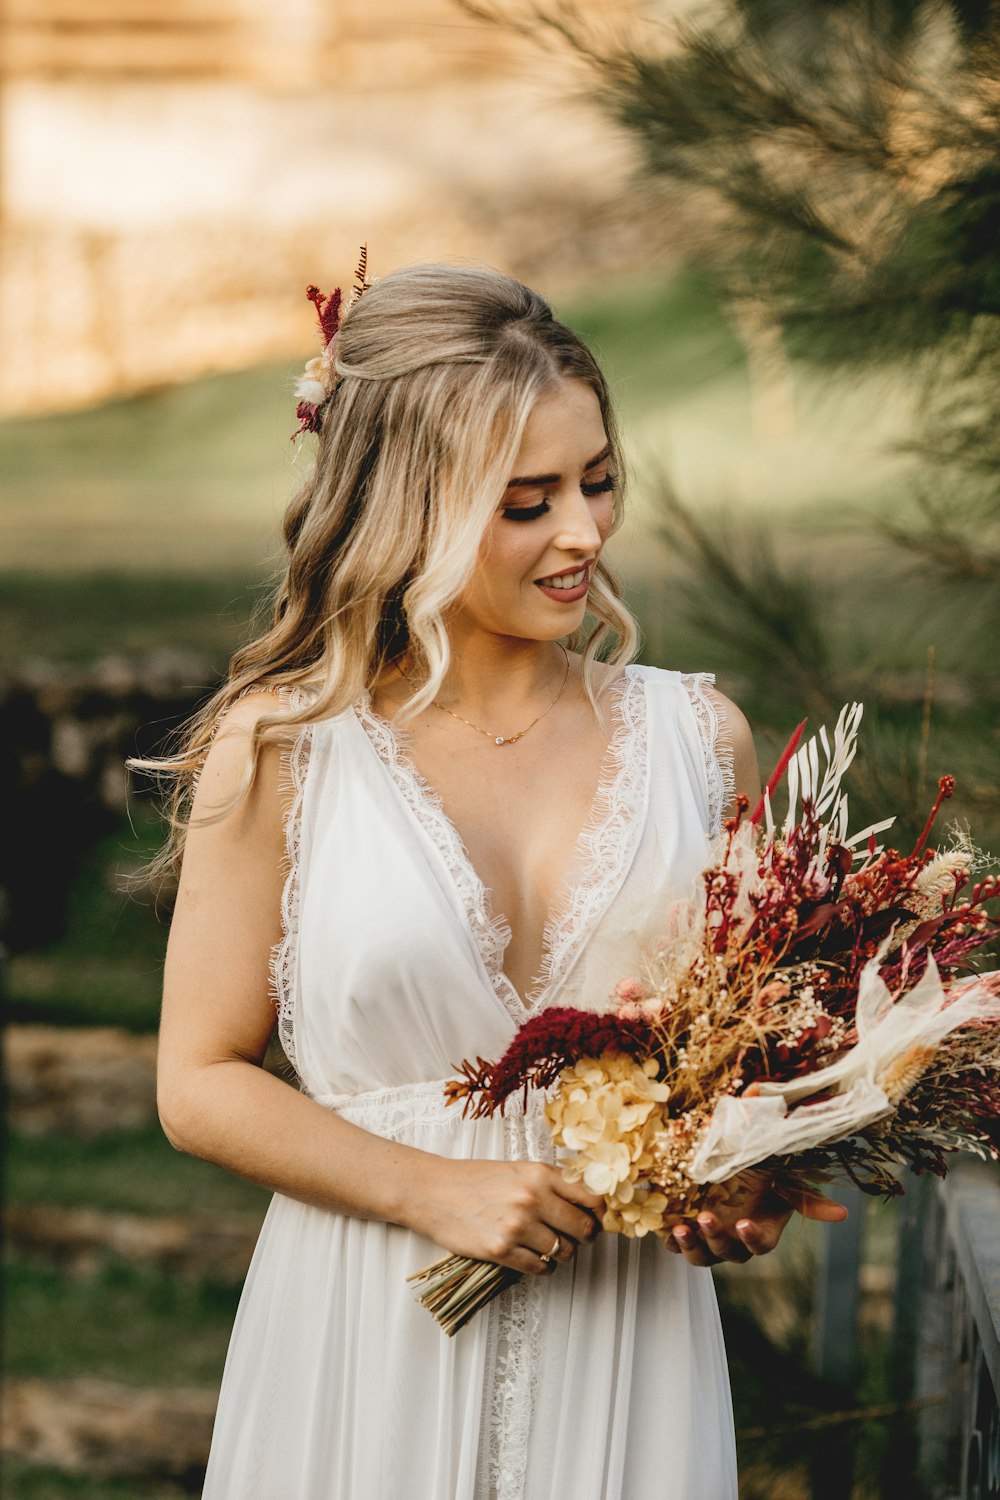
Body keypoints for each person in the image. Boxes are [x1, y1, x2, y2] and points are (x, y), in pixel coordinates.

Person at [147, 262, 847, 1499]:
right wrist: (430, 1189)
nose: (582, 531)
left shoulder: (702, 743)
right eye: (526, 501)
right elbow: (197, 1083)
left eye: (596, 482)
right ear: (406, 508)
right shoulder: (287, 746)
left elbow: (745, 1059)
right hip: (366, 1325)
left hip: (625, 1341)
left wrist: (743, 1179)